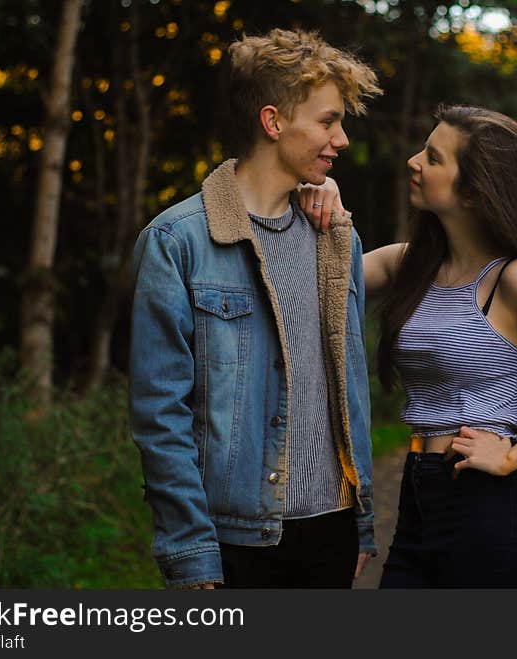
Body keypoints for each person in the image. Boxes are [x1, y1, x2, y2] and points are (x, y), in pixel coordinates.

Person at [300, 105, 517, 588]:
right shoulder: (407, 265)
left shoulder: (516, 278)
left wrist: (514, 455)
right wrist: (319, 195)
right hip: (418, 500)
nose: (413, 161)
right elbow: (302, 283)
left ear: (473, 192)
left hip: (488, 511)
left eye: (432, 158)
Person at [128, 29, 382, 589]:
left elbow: (350, 385)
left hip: (331, 530)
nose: (340, 139)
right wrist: (189, 546)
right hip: (232, 539)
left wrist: (359, 524)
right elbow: (159, 414)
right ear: (273, 122)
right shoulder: (177, 242)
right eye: (327, 120)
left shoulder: (336, 238)